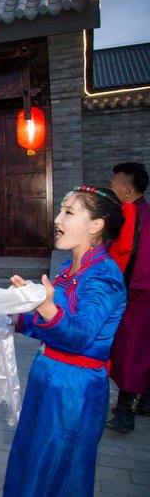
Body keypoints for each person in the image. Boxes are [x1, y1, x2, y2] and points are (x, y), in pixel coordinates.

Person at [3, 185, 127, 497]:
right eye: (60, 210)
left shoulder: (104, 276)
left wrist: (45, 307)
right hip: (47, 377)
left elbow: (81, 335)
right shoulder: (69, 269)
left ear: (96, 225)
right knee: (31, 462)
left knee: (57, 472)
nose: (57, 218)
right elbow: (50, 328)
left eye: (69, 212)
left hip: (75, 388)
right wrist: (11, 318)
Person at [107, 162, 150, 433]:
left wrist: (130, 294)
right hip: (129, 293)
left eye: (115, 182)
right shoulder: (130, 213)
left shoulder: (143, 217)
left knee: (132, 353)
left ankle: (126, 414)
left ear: (126, 188)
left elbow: (143, 263)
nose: (111, 185)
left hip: (138, 296)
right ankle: (143, 401)